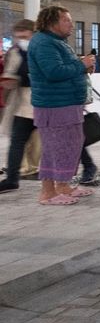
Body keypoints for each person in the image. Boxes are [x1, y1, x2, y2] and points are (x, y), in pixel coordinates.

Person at [28, 6, 96, 205]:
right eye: (66, 20)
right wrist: (80, 65)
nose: (71, 24)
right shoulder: (43, 43)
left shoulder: (57, 42)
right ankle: (47, 193)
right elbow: (53, 72)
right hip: (54, 106)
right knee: (54, 148)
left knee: (68, 146)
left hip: (67, 104)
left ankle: (63, 186)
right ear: (52, 22)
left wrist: (82, 68)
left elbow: (65, 69)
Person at [0, 19, 36, 193]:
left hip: (45, 103)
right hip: (23, 104)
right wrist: (9, 81)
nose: (21, 39)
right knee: (17, 142)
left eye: (24, 35)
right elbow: (10, 73)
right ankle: (12, 178)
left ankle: (85, 167)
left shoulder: (42, 49)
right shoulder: (14, 52)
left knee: (60, 139)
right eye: (18, 36)